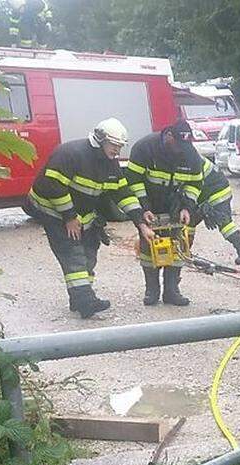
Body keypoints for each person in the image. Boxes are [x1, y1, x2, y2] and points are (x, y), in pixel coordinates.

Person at [24, 117, 147, 318]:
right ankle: (85, 302)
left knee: (90, 250)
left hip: (82, 213)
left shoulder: (110, 164)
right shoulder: (70, 154)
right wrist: (69, 217)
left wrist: (140, 221)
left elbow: (122, 194)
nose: (117, 150)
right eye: (114, 145)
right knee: (73, 253)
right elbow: (51, 185)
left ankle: (79, 298)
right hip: (52, 210)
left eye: (120, 146)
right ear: (100, 139)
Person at [124, 120, 205, 306]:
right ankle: (151, 291)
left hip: (174, 208)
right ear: (168, 136)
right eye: (177, 144)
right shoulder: (145, 148)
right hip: (150, 206)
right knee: (148, 249)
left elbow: (195, 183)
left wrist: (187, 206)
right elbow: (133, 180)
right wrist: (144, 208)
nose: (180, 150)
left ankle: (172, 291)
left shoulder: (190, 154)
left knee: (177, 249)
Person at [185, 156, 240, 265]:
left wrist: (205, 207)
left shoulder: (188, 160)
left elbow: (193, 183)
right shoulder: (183, 157)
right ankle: (185, 252)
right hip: (204, 194)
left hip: (218, 192)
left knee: (225, 224)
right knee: (189, 221)